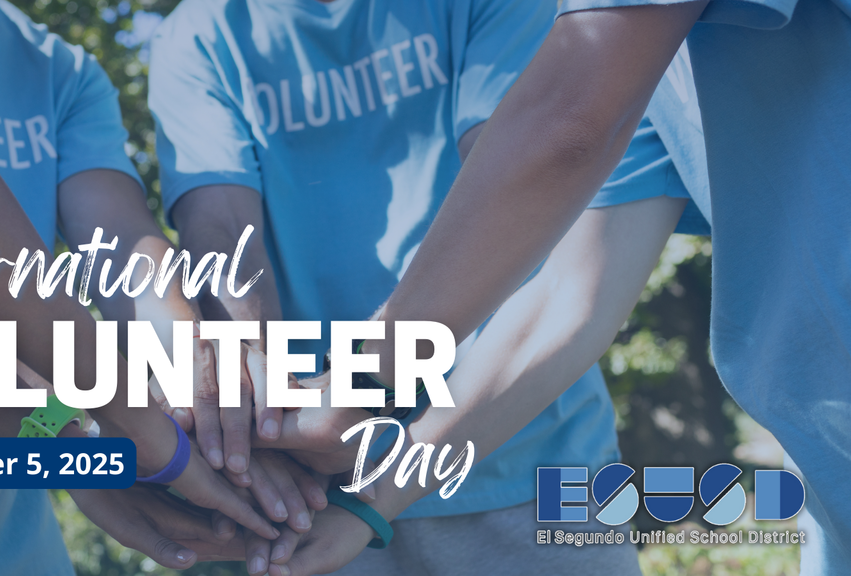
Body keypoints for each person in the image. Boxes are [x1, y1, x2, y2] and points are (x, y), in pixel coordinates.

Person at [276, 0, 851, 574]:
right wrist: (375, 498)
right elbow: (568, 301)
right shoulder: (652, 62)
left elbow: (568, 122)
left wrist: (361, 383)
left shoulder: (608, 46)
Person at [146, 0, 710, 573]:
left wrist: (355, 393)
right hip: (321, 479)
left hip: (518, 439)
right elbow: (218, 229)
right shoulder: (197, 37)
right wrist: (267, 409)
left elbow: (534, 169)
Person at [0, 0, 307, 572]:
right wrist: (77, 432)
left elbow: (126, 252)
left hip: (5, 549)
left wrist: (208, 396)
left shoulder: (59, 71)